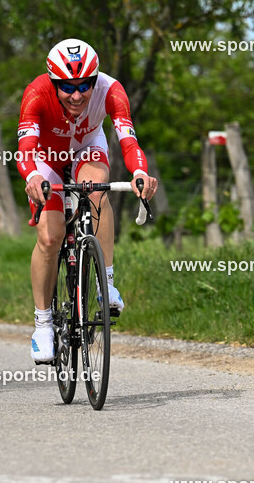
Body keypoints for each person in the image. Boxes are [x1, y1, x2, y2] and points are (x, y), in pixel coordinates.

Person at [16, 38, 158, 364]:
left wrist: (139, 172)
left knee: (96, 192)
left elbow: (129, 141)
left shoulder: (112, 90)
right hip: (46, 158)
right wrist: (33, 177)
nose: (77, 95)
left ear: (95, 80)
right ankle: (43, 325)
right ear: (54, 82)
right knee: (49, 238)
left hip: (87, 147)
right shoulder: (36, 93)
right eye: (67, 87)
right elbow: (25, 150)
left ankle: (106, 285)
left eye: (84, 85)